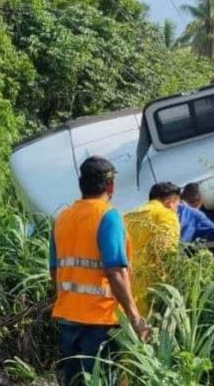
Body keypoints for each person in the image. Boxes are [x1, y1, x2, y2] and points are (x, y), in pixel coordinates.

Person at [50, 156, 149, 386]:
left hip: (68, 320)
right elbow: (115, 272)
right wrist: (135, 317)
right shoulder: (108, 216)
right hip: (100, 322)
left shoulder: (62, 219)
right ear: (111, 186)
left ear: (81, 184)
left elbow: (54, 271)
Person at [124, 182, 182, 314]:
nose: (177, 209)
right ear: (170, 200)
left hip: (124, 288)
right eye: (177, 204)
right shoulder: (166, 215)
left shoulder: (128, 216)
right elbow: (166, 253)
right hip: (149, 290)